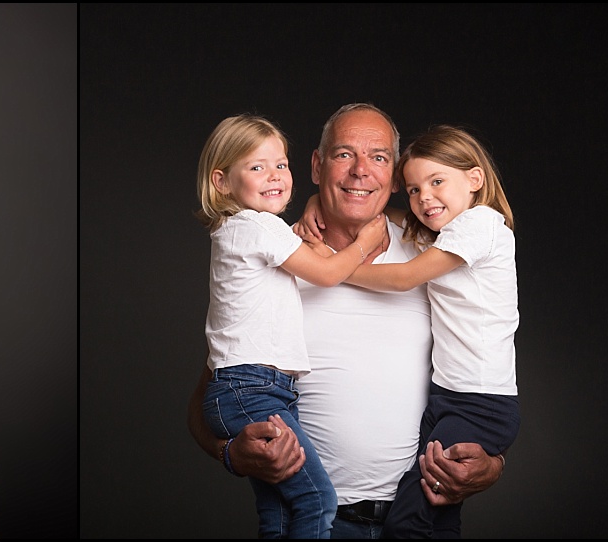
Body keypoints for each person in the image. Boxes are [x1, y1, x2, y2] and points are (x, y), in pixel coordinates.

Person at [187, 103, 506, 539]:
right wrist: (231, 454)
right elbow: (210, 399)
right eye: (343, 155)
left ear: (395, 177)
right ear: (317, 166)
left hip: (421, 513)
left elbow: (485, 376)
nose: (360, 171)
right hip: (319, 521)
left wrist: (492, 463)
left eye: (378, 157)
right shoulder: (274, 259)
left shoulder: (429, 251)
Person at [195, 114, 386, 538]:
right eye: (256, 166)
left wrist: (313, 210)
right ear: (222, 181)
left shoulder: (240, 230)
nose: (274, 176)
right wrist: (365, 244)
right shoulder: (258, 226)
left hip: (253, 388)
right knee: (317, 500)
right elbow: (326, 272)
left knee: (280, 515)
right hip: (254, 388)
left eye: (280, 165)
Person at [336, 124, 519, 538]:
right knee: (439, 510)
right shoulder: (445, 234)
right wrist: (318, 202)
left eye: (437, 182)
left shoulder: (481, 224)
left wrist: (337, 270)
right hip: (449, 397)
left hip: (480, 402)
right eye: (414, 190)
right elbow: (387, 216)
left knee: (408, 516)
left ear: (475, 179)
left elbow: (404, 278)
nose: (424, 198)